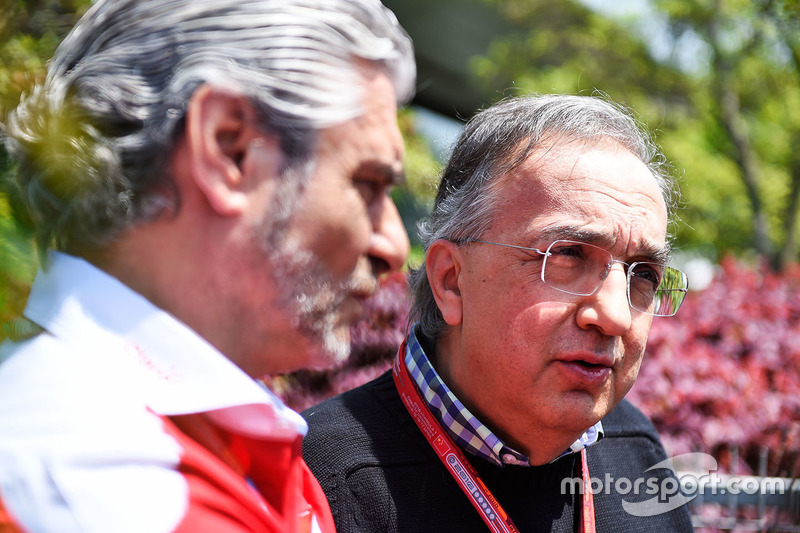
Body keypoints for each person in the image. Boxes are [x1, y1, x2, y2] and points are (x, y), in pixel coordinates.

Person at [0, 0, 415, 531]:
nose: (394, 246)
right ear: (228, 147)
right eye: (369, 186)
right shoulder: (111, 483)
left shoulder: (208, 437)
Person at [302, 94, 694, 532]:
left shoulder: (635, 448)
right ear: (451, 280)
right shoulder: (320, 480)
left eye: (643, 275)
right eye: (566, 254)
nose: (617, 316)